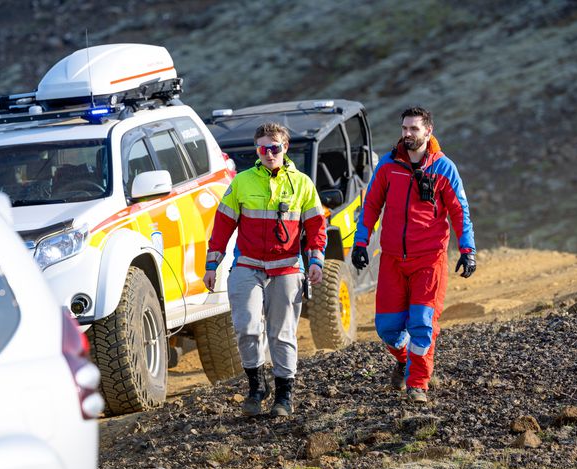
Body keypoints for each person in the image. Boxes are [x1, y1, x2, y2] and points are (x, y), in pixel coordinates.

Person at [351, 106, 476, 404]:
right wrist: (360, 242)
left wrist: (467, 249)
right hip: (393, 259)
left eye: (414, 129)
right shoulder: (388, 165)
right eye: (404, 128)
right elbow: (371, 206)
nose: (407, 134)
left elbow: (460, 212)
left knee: (422, 322)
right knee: (387, 327)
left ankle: (417, 384)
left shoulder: (444, 168)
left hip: (429, 260)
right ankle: (405, 360)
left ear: (428, 131)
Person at [203, 122, 326, 417]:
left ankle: (284, 396)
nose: (269, 153)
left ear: (285, 148)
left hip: (287, 268)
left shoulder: (303, 184)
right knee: (246, 327)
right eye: (263, 148)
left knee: (281, 333)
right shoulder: (242, 181)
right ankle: (256, 387)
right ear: (257, 150)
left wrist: (316, 261)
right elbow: (222, 225)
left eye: (274, 147)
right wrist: (212, 264)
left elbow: (316, 227)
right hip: (248, 264)